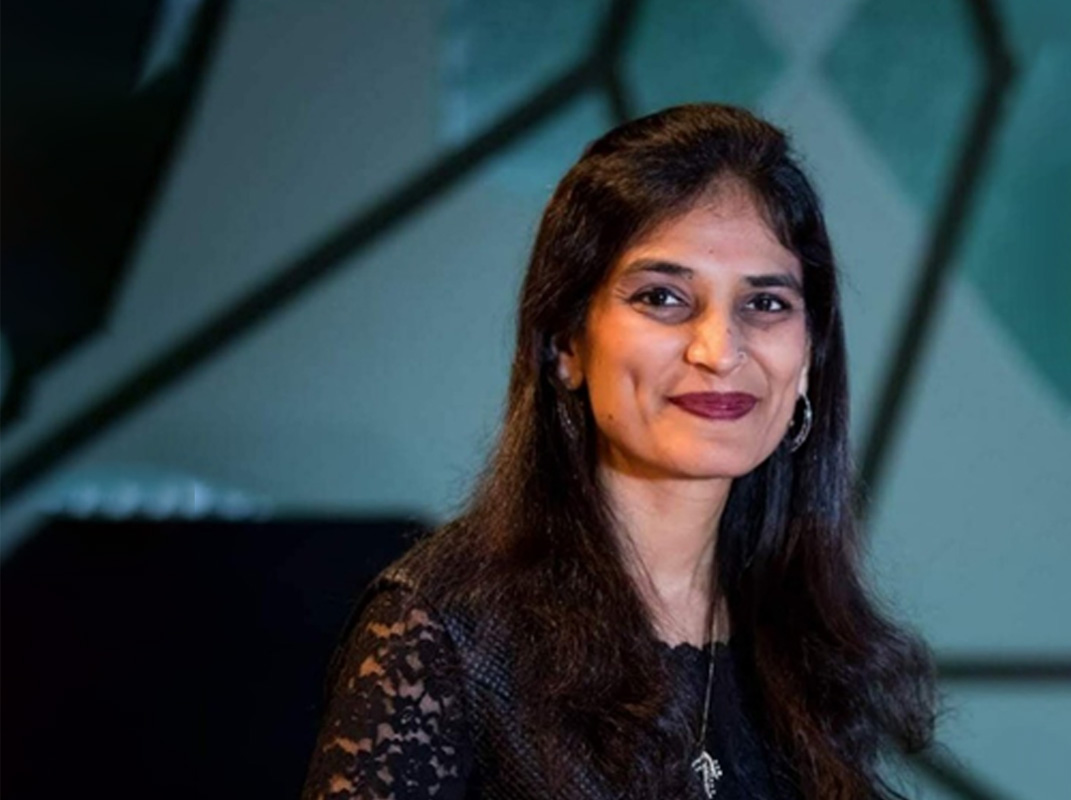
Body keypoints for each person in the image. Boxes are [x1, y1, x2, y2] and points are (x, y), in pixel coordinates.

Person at [301, 103, 937, 800]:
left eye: (766, 304)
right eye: (663, 298)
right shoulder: (443, 631)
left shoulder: (806, 632)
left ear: (810, 354)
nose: (719, 351)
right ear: (567, 342)